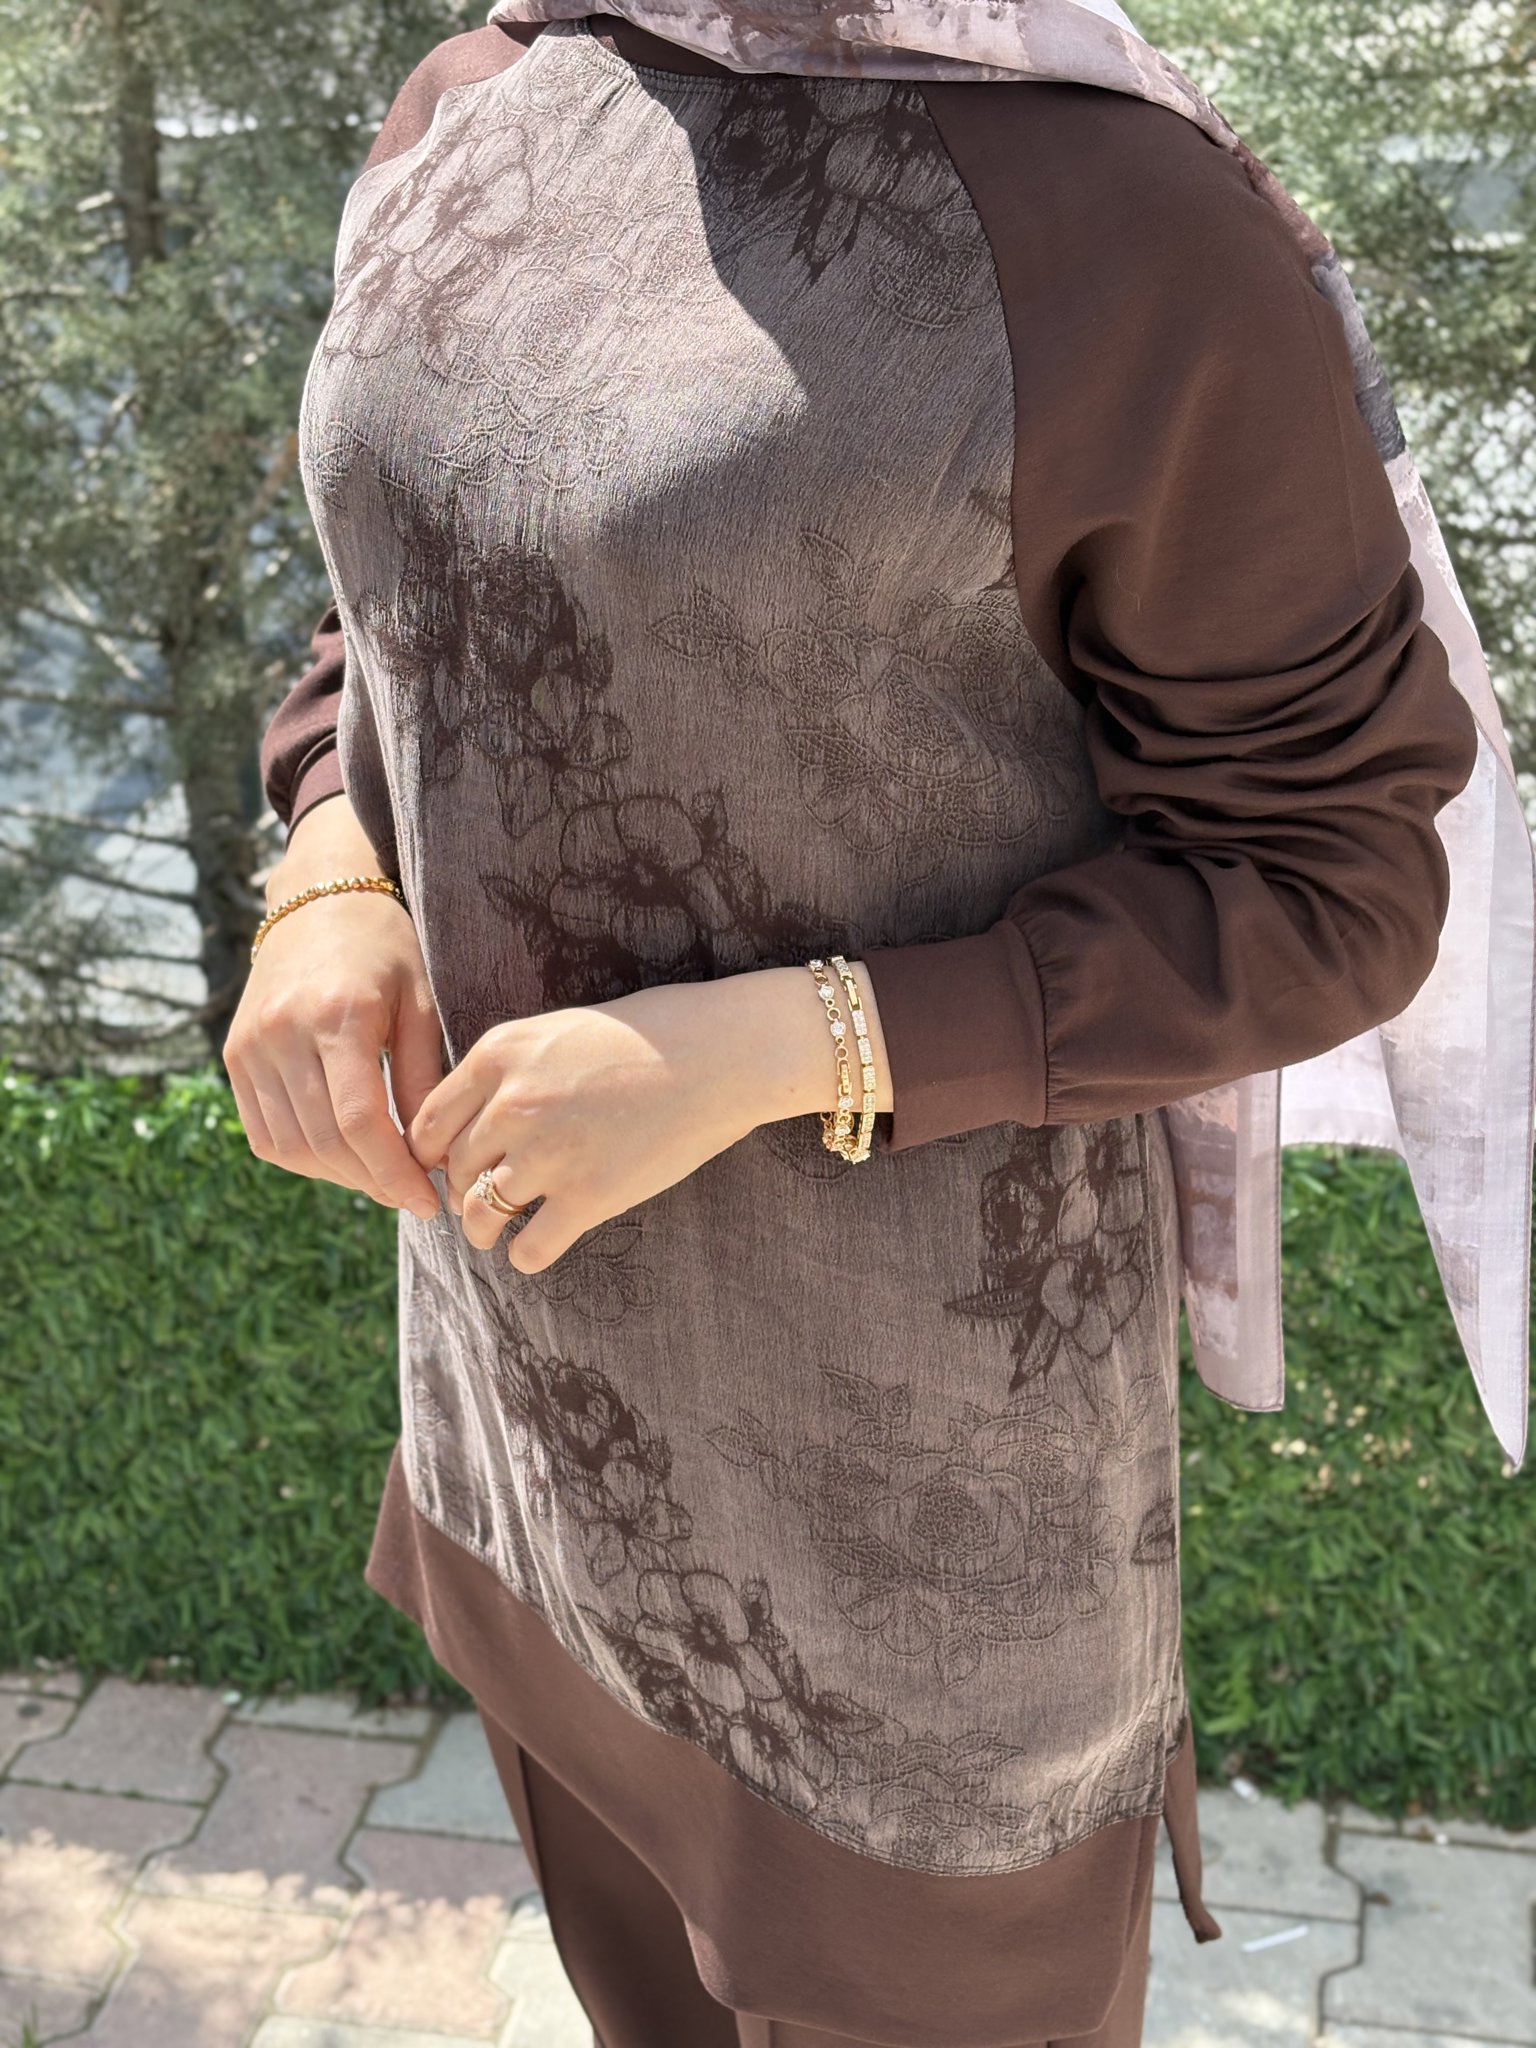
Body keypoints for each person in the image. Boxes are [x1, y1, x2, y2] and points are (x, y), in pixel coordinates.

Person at [236, 6, 1492, 2043]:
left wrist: (769, 1048)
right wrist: (328, 861)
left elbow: (1331, 877)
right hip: (526, 1450)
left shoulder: (1118, 224)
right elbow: (399, 578)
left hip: (914, 1607)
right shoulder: (484, 91)